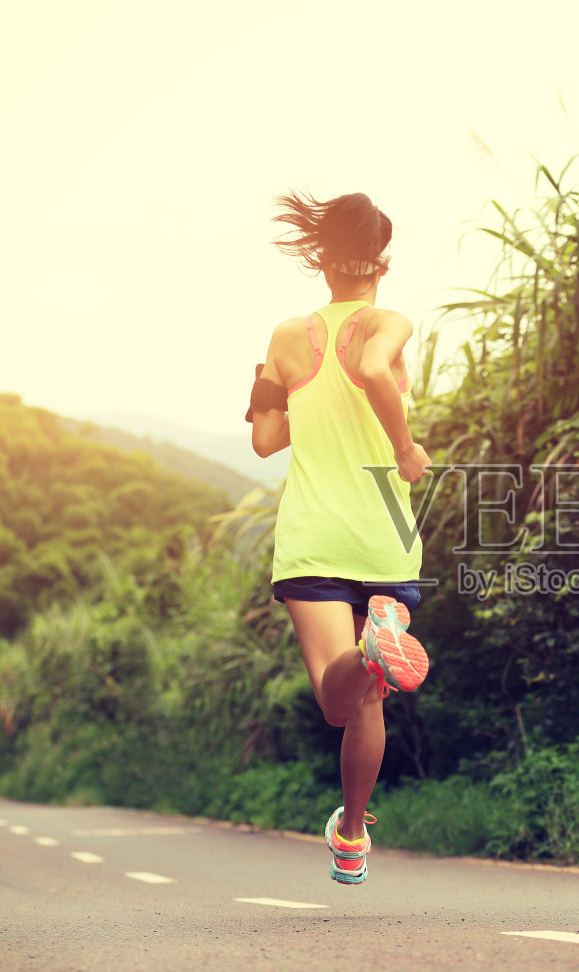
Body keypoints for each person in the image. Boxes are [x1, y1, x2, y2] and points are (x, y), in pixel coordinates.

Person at [246, 191, 432, 885]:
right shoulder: (389, 322)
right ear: (382, 262)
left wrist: (272, 391)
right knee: (368, 697)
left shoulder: (286, 338)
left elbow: (265, 439)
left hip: (316, 537)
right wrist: (405, 449)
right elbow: (376, 368)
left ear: (321, 262)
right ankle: (352, 833)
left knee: (336, 699)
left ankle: (368, 648)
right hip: (385, 536)